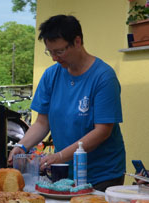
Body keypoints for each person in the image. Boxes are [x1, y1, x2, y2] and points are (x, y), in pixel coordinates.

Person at [7, 14, 125, 192]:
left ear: (77, 42)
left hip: (102, 175)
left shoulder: (103, 77)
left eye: (59, 51)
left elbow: (102, 131)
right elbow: (42, 122)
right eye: (50, 52)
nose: (54, 58)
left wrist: (60, 156)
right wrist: (22, 146)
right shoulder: (51, 75)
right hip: (65, 173)